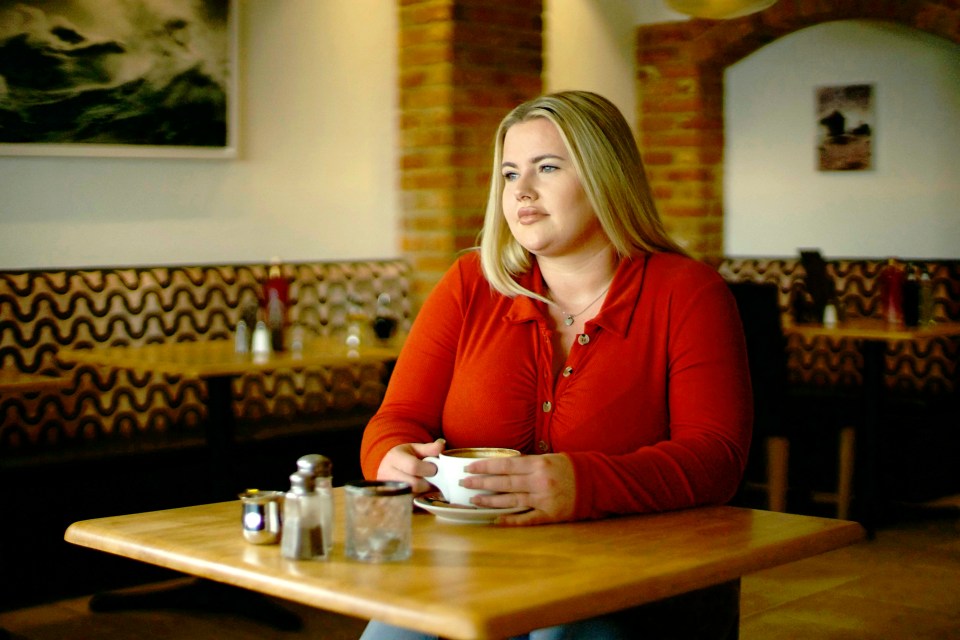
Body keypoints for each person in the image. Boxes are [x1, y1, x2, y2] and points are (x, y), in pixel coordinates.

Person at [358, 90, 752, 640]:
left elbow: (718, 458)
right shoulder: (470, 285)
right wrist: (391, 460)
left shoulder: (689, 292)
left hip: (632, 572)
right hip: (472, 563)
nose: (522, 191)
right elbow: (394, 419)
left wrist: (582, 483)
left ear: (604, 175)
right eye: (509, 173)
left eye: (547, 168)